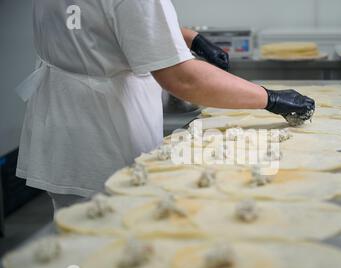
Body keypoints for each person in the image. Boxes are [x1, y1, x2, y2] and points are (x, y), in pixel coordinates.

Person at [16, 0, 314, 213]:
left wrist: (190, 37)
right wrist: (270, 98)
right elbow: (182, 79)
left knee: (76, 231)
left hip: (62, 122)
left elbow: (101, 25)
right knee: (109, 240)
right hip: (101, 134)